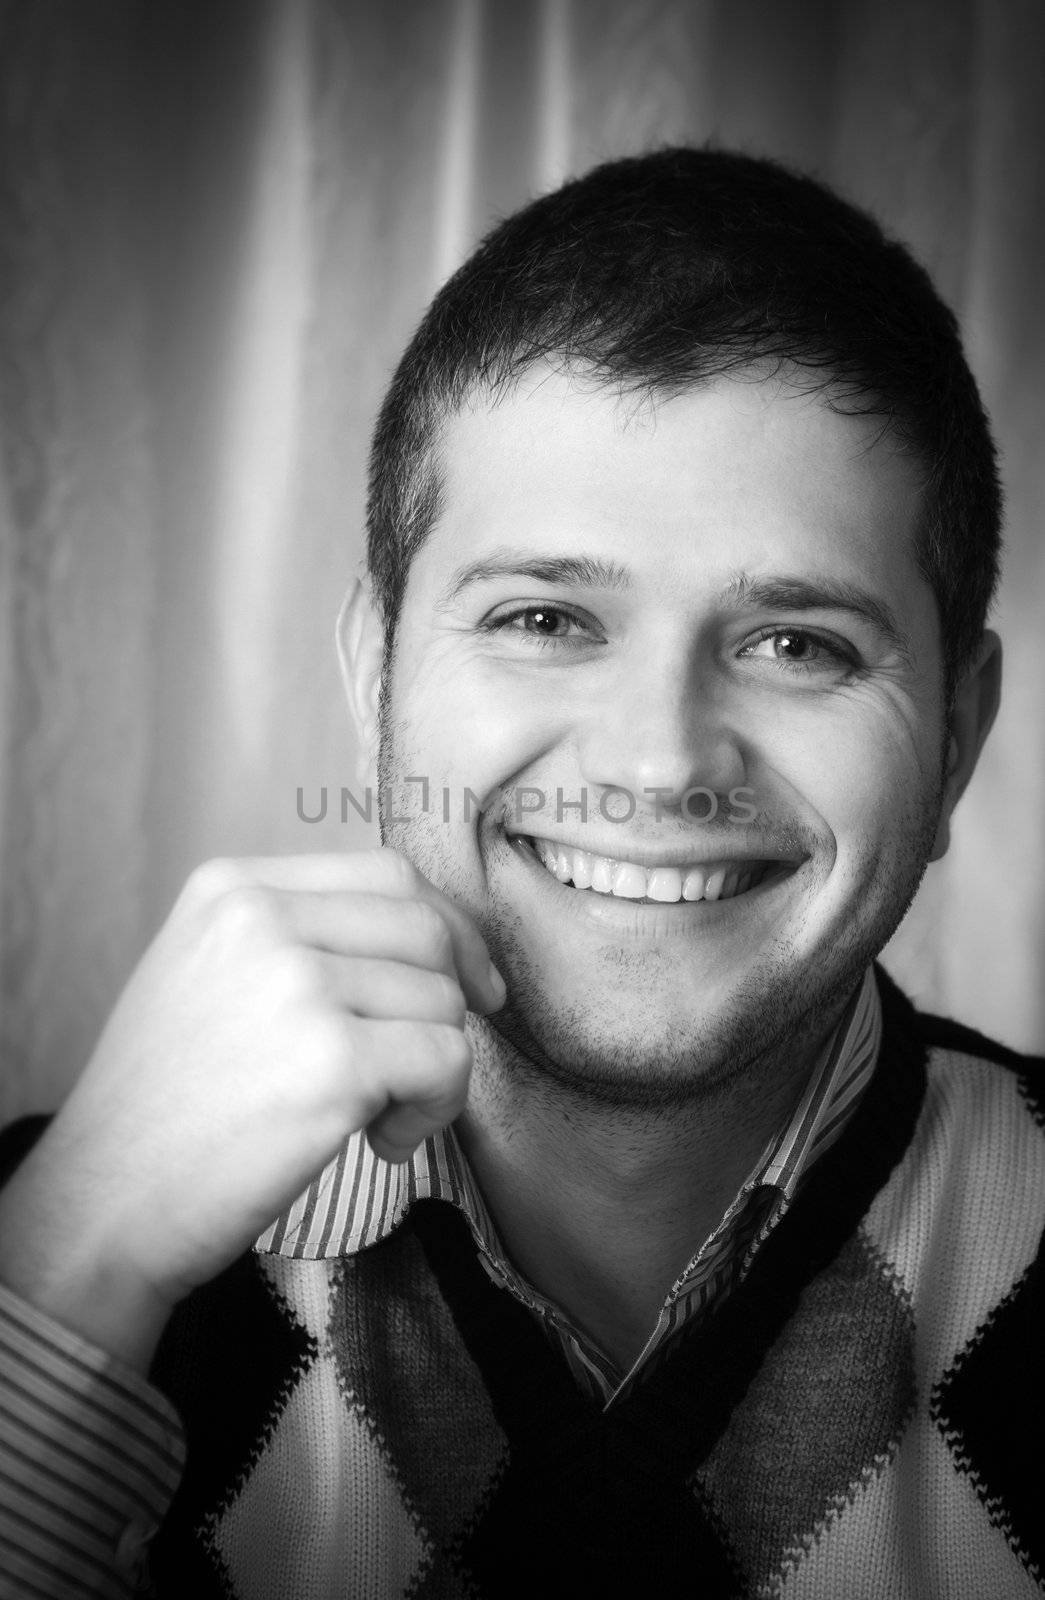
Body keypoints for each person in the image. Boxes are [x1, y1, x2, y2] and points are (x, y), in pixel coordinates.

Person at [0, 145, 1041, 1600]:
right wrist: (60, 1267)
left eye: (797, 645)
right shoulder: (47, 1244)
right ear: (375, 675)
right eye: (545, 618)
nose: (661, 763)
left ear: (958, 737)